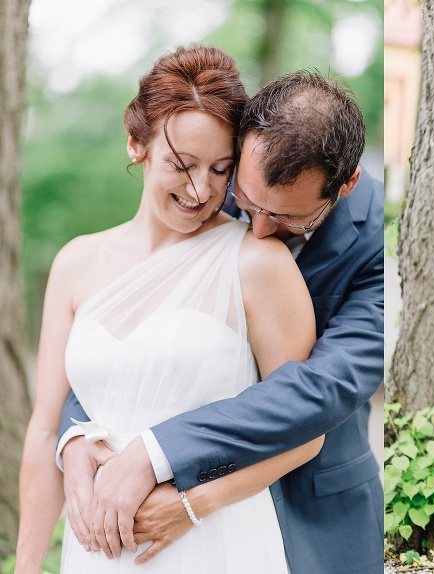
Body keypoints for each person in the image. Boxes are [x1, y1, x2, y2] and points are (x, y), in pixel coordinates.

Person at [56, 71, 385, 572]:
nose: (258, 228)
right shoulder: (205, 184)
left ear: (346, 185)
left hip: (316, 504)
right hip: (148, 521)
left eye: (289, 220)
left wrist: (161, 455)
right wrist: (76, 435)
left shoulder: (378, 241)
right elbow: (132, 335)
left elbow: (320, 389)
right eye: (247, 202)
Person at [16, 45, 324, 574]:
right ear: (137, 145)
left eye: (220, 169)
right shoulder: (76, 262)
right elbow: (46, 431)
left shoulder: (257, 262)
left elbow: (305, 433)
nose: (200, 189)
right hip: (95, 552)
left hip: (214, 539)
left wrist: (195, 503)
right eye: (181, 165)